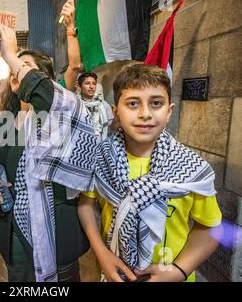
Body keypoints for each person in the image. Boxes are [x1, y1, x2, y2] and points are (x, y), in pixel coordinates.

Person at [78, 64, 223, 282]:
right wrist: (102, 253)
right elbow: (85, 205)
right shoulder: (100, 159)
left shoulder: (191, 167)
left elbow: (211, 228)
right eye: (133, 103)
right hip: (116, 272)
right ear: (115, 111)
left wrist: (179, 271)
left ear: (169, 112)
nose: (145, 114)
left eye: (156, 103)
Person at [0, 24, 99, 282]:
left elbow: (50, 95)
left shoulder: (56, 116)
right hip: (13, 231)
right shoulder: (4, 121)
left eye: (23, 67)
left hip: (54, 231)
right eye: (13, 67)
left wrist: (12, 56)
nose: (15, 70)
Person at [77, 72, 113, 141]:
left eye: (94, 83)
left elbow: (110, 128)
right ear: (79, 86)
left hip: (101, 144)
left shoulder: (104, 105)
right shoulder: (75, 104)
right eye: (87, 83)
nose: (91, 86)